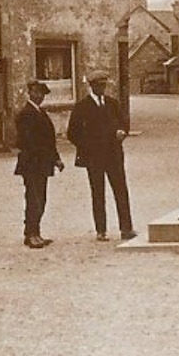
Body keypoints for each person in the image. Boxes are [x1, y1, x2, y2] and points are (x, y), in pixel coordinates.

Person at [66, 69, 134, 241]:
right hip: (94, 158)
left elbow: (124, 123)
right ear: (91, 86)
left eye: (104, 85)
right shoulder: (82, 107)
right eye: (98, 85)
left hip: (114, 156)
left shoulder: (113, 104)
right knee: (98, 193)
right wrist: (87, 147)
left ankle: (126, 228)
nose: (102, 88)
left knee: (121, 191)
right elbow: (72, 133)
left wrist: (122, 132)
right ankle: (101, 230)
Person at [14, 81, 64, 249]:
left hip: (42, 163)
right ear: (30, 93)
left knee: (41, 199)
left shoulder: (41, 112)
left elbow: (49, 140)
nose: (40, 96)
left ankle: (36, 232)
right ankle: (31, 234)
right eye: (37, 92)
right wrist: (44, 155)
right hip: (32, 163)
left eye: (42, 93)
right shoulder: (25, 114)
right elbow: (25, 142)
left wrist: (56, 159)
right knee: (34, 198)